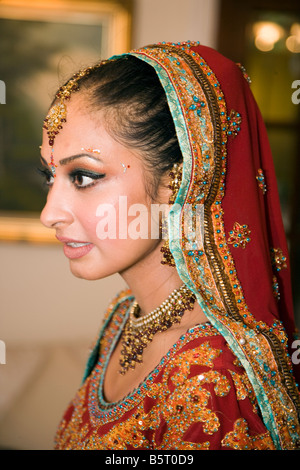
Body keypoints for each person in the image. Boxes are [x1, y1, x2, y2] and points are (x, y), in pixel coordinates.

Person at [39, 41, 300, 450]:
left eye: (84, 177)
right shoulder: (124, 316)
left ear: (177, 182)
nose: (50, 213)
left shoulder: (213, 378)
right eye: (49, 177)